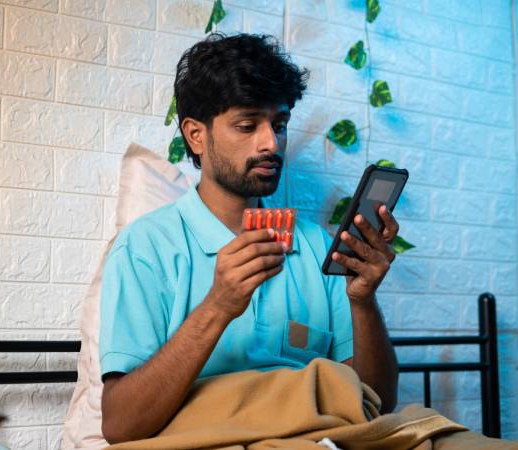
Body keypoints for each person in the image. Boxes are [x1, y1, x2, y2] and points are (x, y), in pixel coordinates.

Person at [99, 33, 399, 444]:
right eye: (247, 124)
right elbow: (119, 426)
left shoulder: (313, 245)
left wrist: (363, 302)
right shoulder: (146, 248)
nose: (271, 143)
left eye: (279, 124)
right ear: (195, 135)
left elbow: (376, 403)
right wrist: (218, 307)